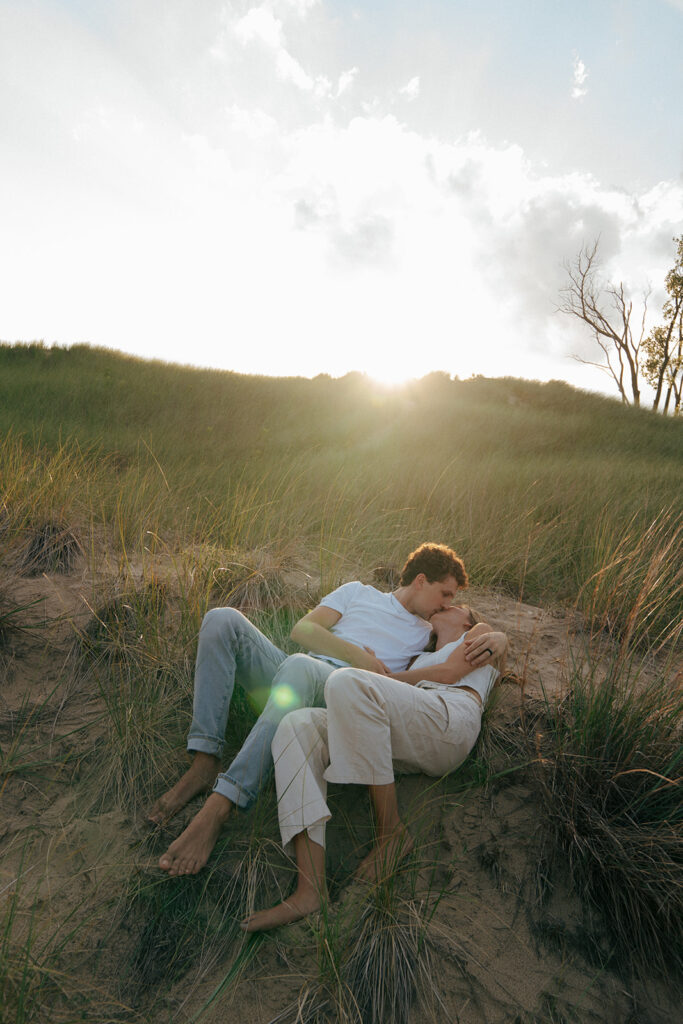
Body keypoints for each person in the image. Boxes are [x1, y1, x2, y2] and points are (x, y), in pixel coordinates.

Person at [151, 544, 500, 877]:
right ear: (421, 580)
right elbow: (303, 629)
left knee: (301, 667)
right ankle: (204, 759)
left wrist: (501, 638)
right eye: (445, 593)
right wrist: (355, 655)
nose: (447, 604)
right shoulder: (356, 593)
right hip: (294, 673)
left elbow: (457, 656)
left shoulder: (428, 633)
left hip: (338, 696)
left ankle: (221, 804)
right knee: (222, 619)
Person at [240, 604, 506, 932]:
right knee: (298, 723)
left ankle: (392, 833)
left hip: (449, 721)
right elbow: (389, 692)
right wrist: (379, 675)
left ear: (468, 618)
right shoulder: (417, 660)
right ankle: (309, 889)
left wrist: (501, 636)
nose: (444, 604)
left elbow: (451, 674)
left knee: (346, 682)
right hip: (407, 735)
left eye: (454, 604)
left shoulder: (478, 635)